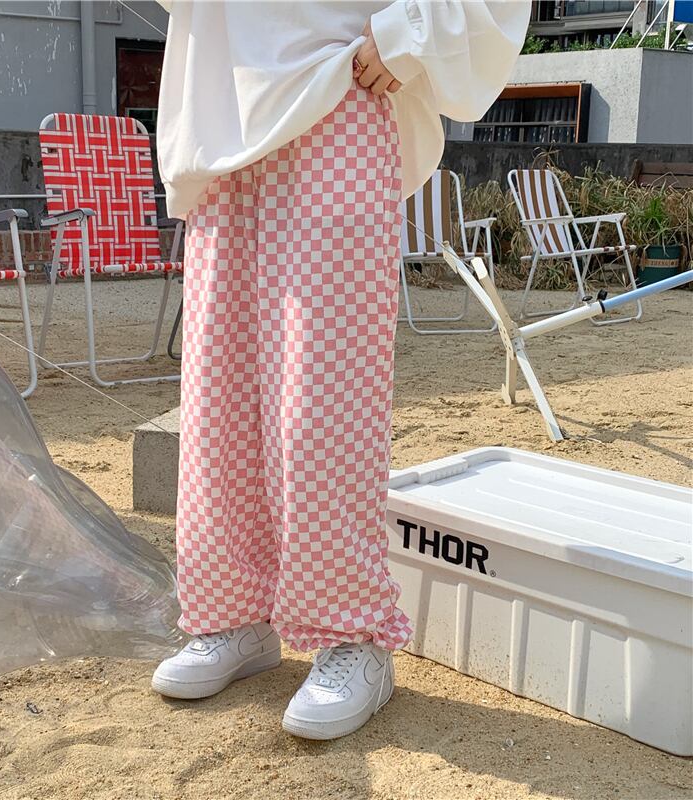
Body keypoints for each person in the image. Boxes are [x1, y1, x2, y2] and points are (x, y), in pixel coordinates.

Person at [151, 0, 530, 740]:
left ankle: (351, 633)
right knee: (218, 395)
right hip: (222, 101)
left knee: (323, 395)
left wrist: (416, 27)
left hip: (339, 83)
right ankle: (235, 612)